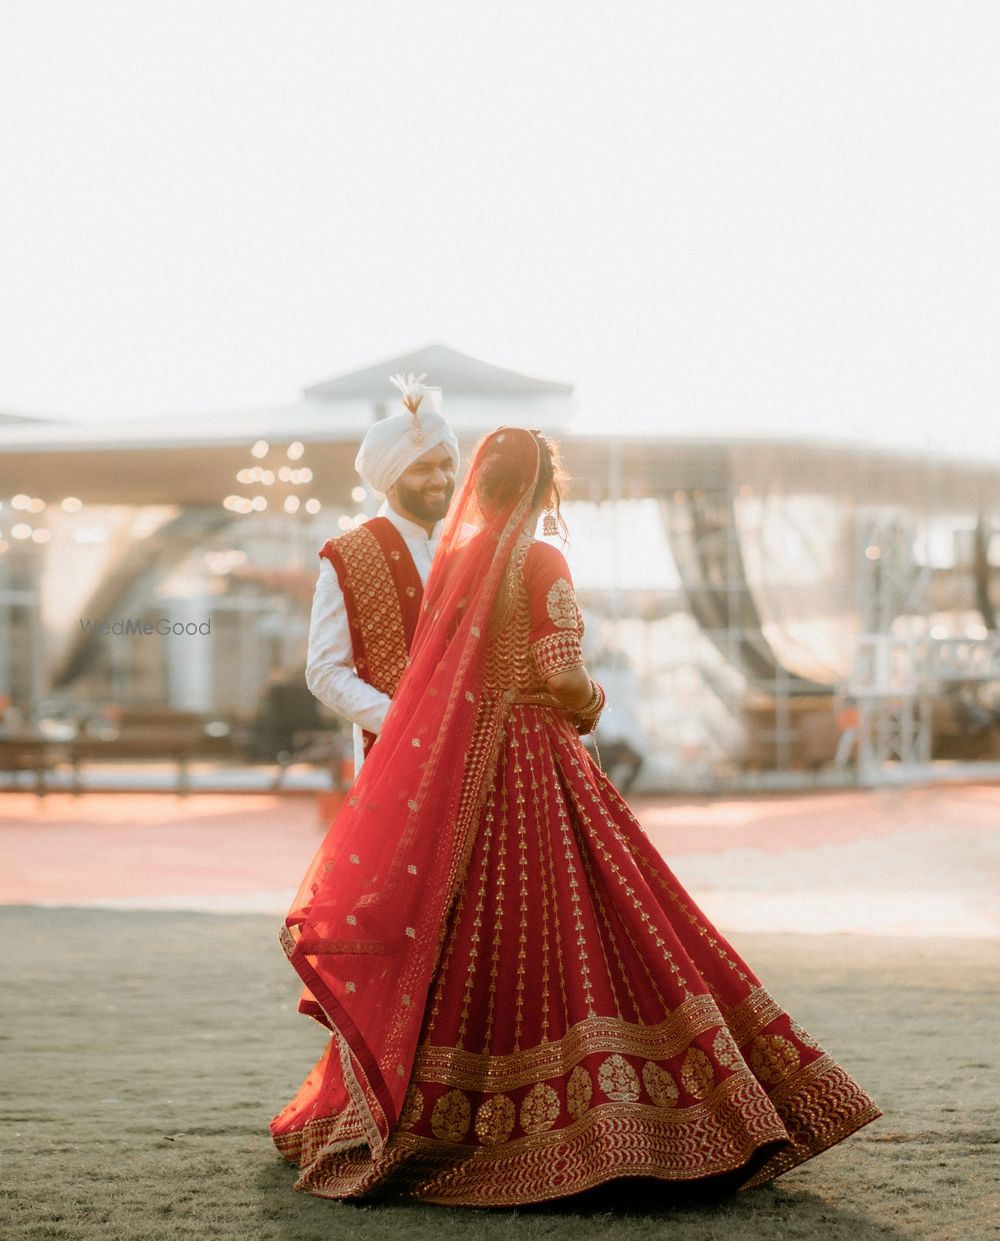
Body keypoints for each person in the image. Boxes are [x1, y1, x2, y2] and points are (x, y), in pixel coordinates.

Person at [271, 428, 880, 1207]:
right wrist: (593, 703)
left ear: (476, 487)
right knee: (598, 917)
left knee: (472, 938)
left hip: (465, 777)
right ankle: (627, 1119)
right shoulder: (539, 558)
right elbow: (561, 677)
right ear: (541, 488)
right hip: (535, 761)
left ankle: (450, 1116)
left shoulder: (455, 566)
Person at [305, 378, 459, 771]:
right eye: (422, 469)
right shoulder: (349, 555)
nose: (440, 480)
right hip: (395, 757)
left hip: (481, 754)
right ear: (389, 480)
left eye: (445, 465)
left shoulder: (473, 546)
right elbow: (324, 671)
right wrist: (405, 724)